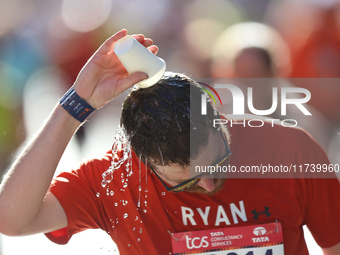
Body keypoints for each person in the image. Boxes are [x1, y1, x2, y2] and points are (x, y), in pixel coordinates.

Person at [0, 29, 339, 255]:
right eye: (185, 181)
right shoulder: (119, 181)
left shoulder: (289, 149)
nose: (208, 183)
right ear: (141, 160)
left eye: (217, 160)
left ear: (217, 117)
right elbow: (12, 220)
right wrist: (75, 105)